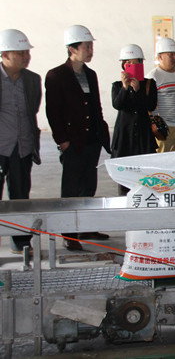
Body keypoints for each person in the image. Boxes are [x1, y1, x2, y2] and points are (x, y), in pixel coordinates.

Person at [45, 25, 111, 250]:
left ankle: (86, 227)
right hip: (73, 141)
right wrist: (62, 141)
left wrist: (102, 134)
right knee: (71, 189)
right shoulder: (56, 75)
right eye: (87, 46)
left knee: (88, 186)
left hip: (92, 139)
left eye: (91, 46)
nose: (91, 51)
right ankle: (70, 234)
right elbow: (53, 112)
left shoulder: (90, 75)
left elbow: (96, 107)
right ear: (72, 49)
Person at [0, 29, 41, 254]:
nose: (26, 57)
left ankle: (21, 241)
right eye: (21, 53)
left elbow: (32, 110)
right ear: (5, 55)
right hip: (1, 147)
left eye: (27, 52)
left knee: (20, 197)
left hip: (23, 147)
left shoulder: (33, 80)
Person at [111, 44, 157, 195]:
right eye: (128, 63)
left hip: (143, 134)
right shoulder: (117, 86)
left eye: (135, 62)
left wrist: (138, 91)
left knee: (145, 172)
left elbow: (150, 105)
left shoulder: (149, 84)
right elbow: (117, 105)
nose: (131, 65)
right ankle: (124, 200)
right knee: (124, 173)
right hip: (125, 135)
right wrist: (125, 88)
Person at [146, 37, 175, 152]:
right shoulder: (153, 77)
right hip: (165, 128)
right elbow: (149, 105)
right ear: (160, 57)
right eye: (171, 55)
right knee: (163, 159)